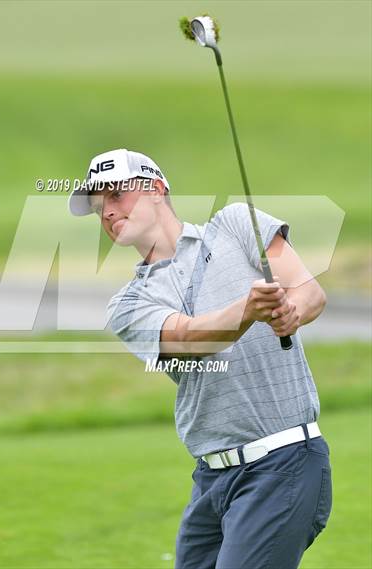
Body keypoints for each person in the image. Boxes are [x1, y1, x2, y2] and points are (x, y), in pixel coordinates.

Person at [69, 148, 333, 569]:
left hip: (284, 463)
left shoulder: (235, 223)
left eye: (116, 195)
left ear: (156, 188)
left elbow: (309, 292)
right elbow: (191, 339)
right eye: (99, 206)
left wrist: (289, 312)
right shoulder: (128, 303)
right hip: (212, 478)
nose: (107, 211)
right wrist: (249, 309)